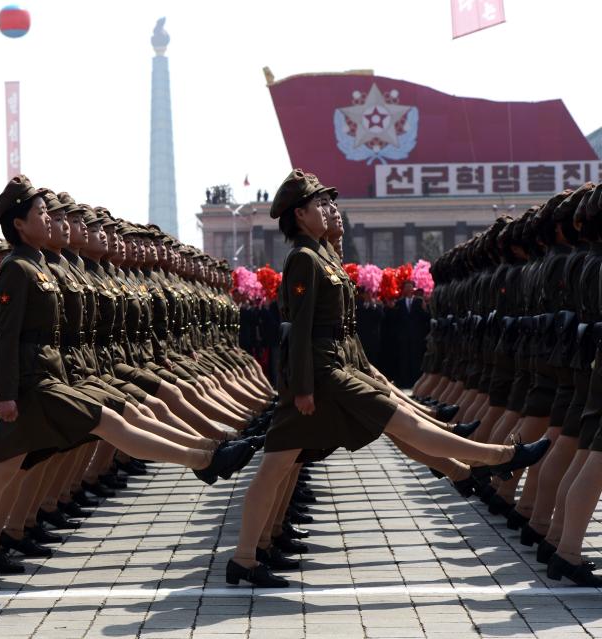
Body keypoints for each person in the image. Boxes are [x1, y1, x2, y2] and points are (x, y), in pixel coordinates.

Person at [227, 169, 550, 587]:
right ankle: (496, 458)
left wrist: (364, 370)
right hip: (323, 375)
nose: (329, 210)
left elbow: (342, 328)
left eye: (329, 203)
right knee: (395, 425)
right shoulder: (303, 260)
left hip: (337, 367)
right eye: (320, 204)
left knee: (285, 464)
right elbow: (300, 329)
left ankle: (247, 556)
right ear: (299, 214)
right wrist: (304, 387)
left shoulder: (320, 255)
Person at [0, 175, 256, 591]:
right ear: (19, 224)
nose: (49, 219)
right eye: (40, 214)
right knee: (108, 421)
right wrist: (6, 394)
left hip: (48, 377)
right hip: (35, 386)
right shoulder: (17, 268)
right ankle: (204, 460)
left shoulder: (38, 266)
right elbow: (5, 335)